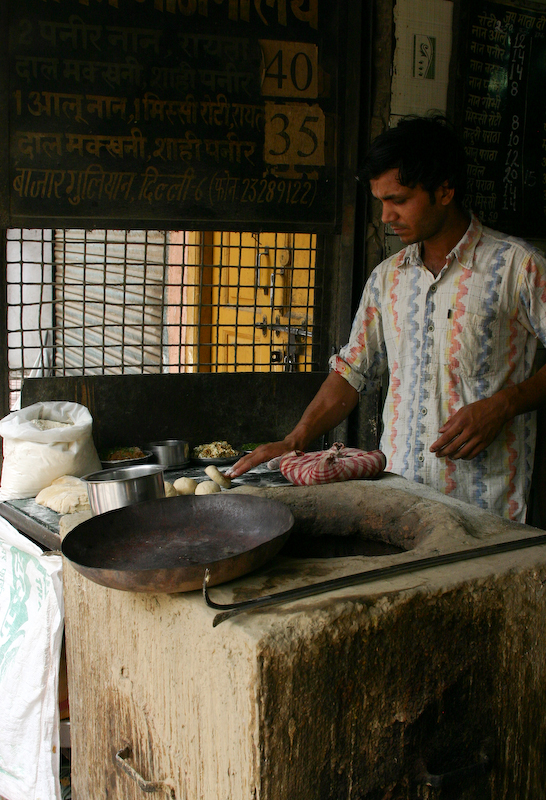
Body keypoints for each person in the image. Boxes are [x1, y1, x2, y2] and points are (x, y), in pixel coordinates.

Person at [228, 114, 546, 523]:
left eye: (399, 200)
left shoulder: (518, 267)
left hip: (485, 508)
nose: (385, 216)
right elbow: (351, 373)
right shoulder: (387, 278)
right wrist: (295, 439)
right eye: (381, 201)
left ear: (445, 191)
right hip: (401, 500)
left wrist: (502, 405)